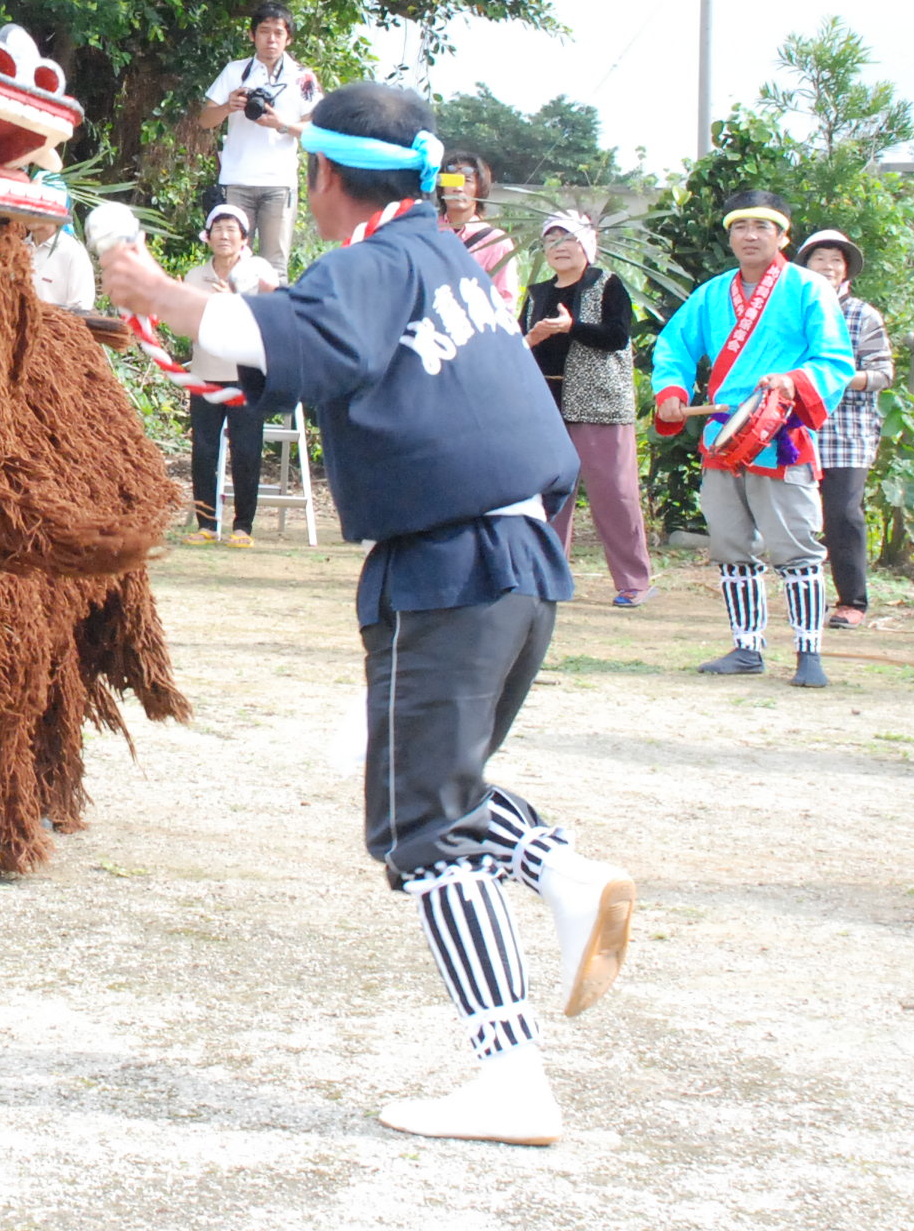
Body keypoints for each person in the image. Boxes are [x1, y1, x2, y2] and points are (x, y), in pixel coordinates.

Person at [90, 83, 632, 1147]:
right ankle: (562, 874)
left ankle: (510, 1069)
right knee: (425, 784)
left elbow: (274, 334)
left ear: (324, 178)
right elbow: (306, 353)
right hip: (513, 556)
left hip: (454, 562)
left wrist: (150, 286)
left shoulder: (377, 262)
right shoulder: (440, 257)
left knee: (420, 824)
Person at [649, 191, 855, 688]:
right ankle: (747, 648)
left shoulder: (809, 289)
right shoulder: (711, 294)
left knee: (796, 548)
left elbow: (834, 359)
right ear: (730, 236)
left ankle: (809, 652)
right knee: (731, 544)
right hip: (724, 432)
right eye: (740, 227)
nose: (750, 236)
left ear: (783, 235)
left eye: (762, 227)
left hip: (780, 432)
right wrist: (672, 389)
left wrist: (792, 379)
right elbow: (674, 345)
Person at [520, 211, 654, 606]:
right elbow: (521, 344)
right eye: (551, 240)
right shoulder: (537, 292)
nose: (559, 247)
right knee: (549, 496)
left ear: (586, 245)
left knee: (615, 493)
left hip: (599, 404)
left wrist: (570, 327)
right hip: (546, 404)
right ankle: (548, 576)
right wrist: (534, 335)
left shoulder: (607, 284)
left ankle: (634, 581)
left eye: (568, 239)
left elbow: (617, 337)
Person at [796, 229, 895, 630]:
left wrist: (831, 377)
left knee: (842, 513)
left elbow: (883, 374)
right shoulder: (791, 310)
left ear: (847, 271)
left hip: (847, 431)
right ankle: (805, 596)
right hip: (796, 427)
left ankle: (852, 601)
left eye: (836, 260)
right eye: (820, 259)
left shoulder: (863, 315)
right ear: (804, 266)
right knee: (798, 515)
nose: (828, 267)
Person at [191, 0, 319, 270]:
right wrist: (228, 106)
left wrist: (281, 124)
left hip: (280, 183)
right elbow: (204, 120)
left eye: (278, 33)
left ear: (289, 39)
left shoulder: (303, 77)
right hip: (237, 180)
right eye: (264, 31)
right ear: (252, 35)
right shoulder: (235, 72)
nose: (271, 39)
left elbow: (315, 132)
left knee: (275, 264)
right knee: (230, 261)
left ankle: (271, 314)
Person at [180, 204, 268, 545]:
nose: (224, 236)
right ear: (208, 236)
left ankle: (242, 527)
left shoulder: (255, 275)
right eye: (218, 229)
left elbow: (265, 322)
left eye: (232, 230)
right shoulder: (194, 276)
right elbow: (188, 323)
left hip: (245, 375)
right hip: (205, 372)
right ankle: (206, 524)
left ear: (244, 238)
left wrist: (231, 302)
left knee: (246, 451)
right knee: (203, 449)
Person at [435, 153, 519, 305]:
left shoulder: (496, 242)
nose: (458, 188)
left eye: (467, 181)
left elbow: (505, 301)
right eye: (451, 180)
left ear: (480, 189)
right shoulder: (423, 232)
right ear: (441, 188)